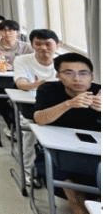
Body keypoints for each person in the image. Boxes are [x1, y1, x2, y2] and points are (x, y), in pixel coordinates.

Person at [33, 53, 101, 214]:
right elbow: (39, 118)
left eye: (83, 73)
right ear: (58, 76)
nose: (77, 79)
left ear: (91, 76)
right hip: (57, 154)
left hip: (95, 154)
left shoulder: (99, 93)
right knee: (73, 189)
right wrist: (69, 104)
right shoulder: (49, 90)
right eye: (68, 73)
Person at [13, 29, 60, 187]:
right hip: (31, 105)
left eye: (48, 44)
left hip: (57, 107)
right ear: (32, 45)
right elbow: (20, 84)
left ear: (57, 45)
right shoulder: (22, 60)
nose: (43, 48)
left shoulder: (62, 63)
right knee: (31, 133)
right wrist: (38, 85)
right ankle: (29, 172)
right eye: (38, 44)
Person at [0, 19, 34, 130]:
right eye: (4, 31)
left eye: (11, 30)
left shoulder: (26, 47)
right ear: (0, 32)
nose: (7, 33)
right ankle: (13, 125)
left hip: (22, 80)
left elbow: (36, 61)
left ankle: (22, 122)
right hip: (0, 81)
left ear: (17, 32)